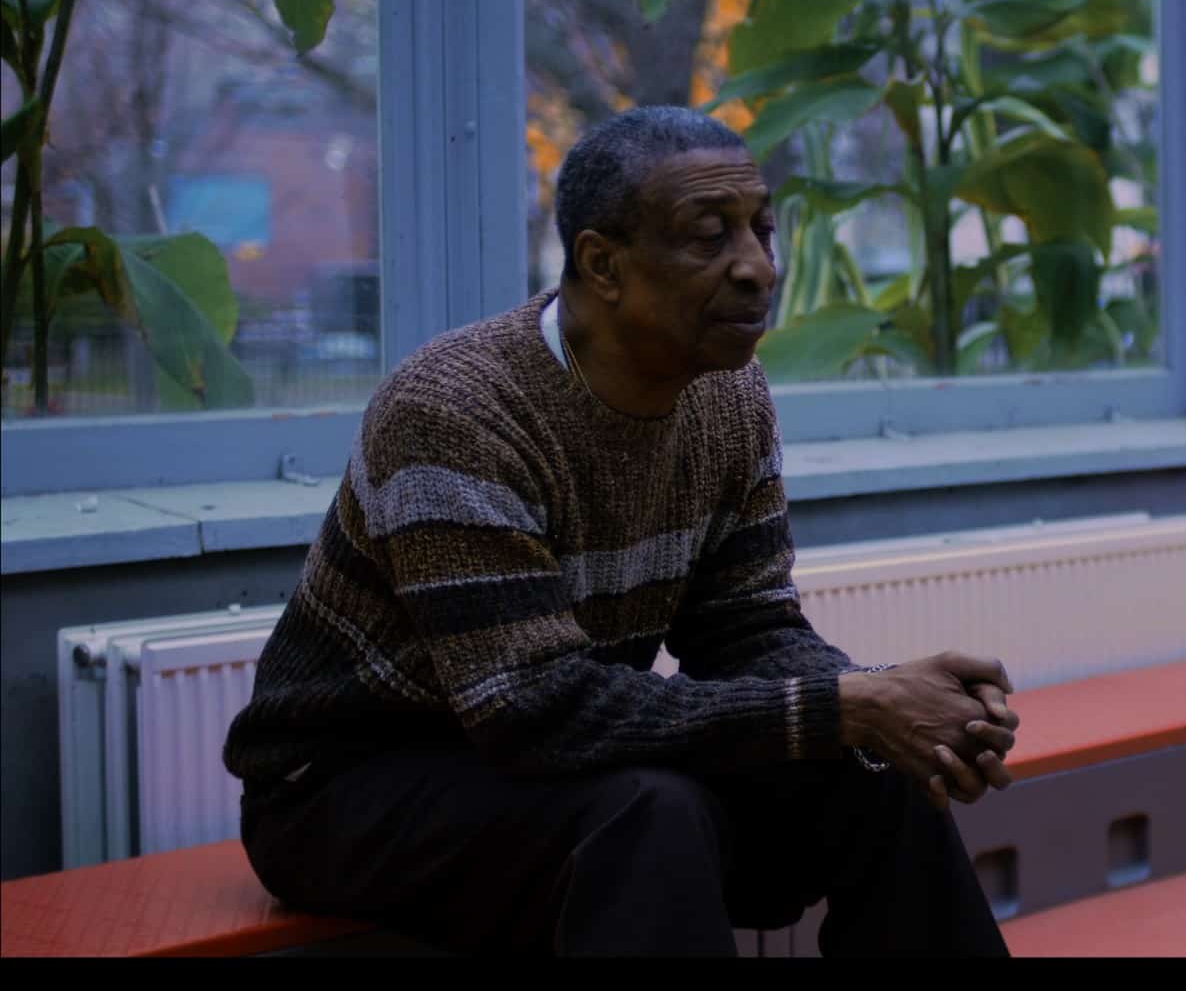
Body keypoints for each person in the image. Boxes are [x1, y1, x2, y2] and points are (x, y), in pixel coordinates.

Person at [223, 105, 1019, 957]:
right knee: (648, 812)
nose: (757, 268)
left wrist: (892, 705)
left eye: (761, 230)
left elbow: (746, 628)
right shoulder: (454, 412)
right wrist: (843, 706)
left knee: (876, 772)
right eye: (709, 237)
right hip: (344, 788)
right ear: (603, 264)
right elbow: (529, 708)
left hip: (558, 764)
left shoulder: (727, 391)